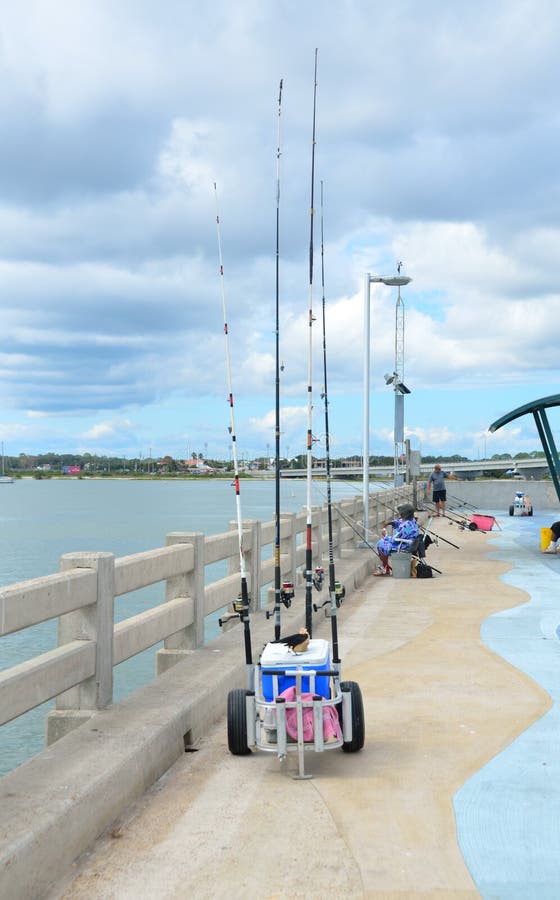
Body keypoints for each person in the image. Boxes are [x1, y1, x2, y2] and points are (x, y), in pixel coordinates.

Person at [375, 503, 420, 575]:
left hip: (403, 546)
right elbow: (400, 522)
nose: (400, 515)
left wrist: (385, 535)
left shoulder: (406, 526)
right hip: (410, 544)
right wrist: (391, 523)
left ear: (403, 515)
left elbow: (396, 539)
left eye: (400, 514)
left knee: (380, 544)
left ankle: (385, 568)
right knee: (384, 543)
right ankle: (385, 568)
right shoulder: (412, 521)